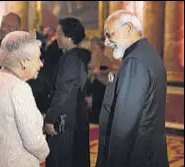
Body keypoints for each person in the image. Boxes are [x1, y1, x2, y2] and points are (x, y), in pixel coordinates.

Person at [96, 10, 169, 167]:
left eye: (110, 35)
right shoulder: (148, 54)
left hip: (135, 157)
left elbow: (124, 126)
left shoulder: (134, 62)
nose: (107, 43)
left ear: (128, 28)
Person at [0, 31, 49, 167]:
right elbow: (34, 142)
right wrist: (45, 152)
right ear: (23, 61)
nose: (41, 64)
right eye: (38, 58)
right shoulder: (19, 88)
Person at [44, 17, 91, 167]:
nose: (57, 37)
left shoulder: (70, 59)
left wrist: (50, 119)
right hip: (76, 118)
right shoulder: (79, 56)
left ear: (69, 37)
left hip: (65, 121)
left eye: (59, 33)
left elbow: (63, 92)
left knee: (61, 160)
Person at [28, 25, 63, 114]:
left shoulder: (56, 45)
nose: (45, 32)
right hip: (40, 80)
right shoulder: (47, 45)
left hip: (47, 79)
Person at [86, 37, 111, 124]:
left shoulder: (105, 59)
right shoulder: (90, 57)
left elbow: (108, 69)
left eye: (95, 47)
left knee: (97, 113)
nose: (93, 48)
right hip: (91, 87)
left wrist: (98, 71)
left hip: (100, 87)